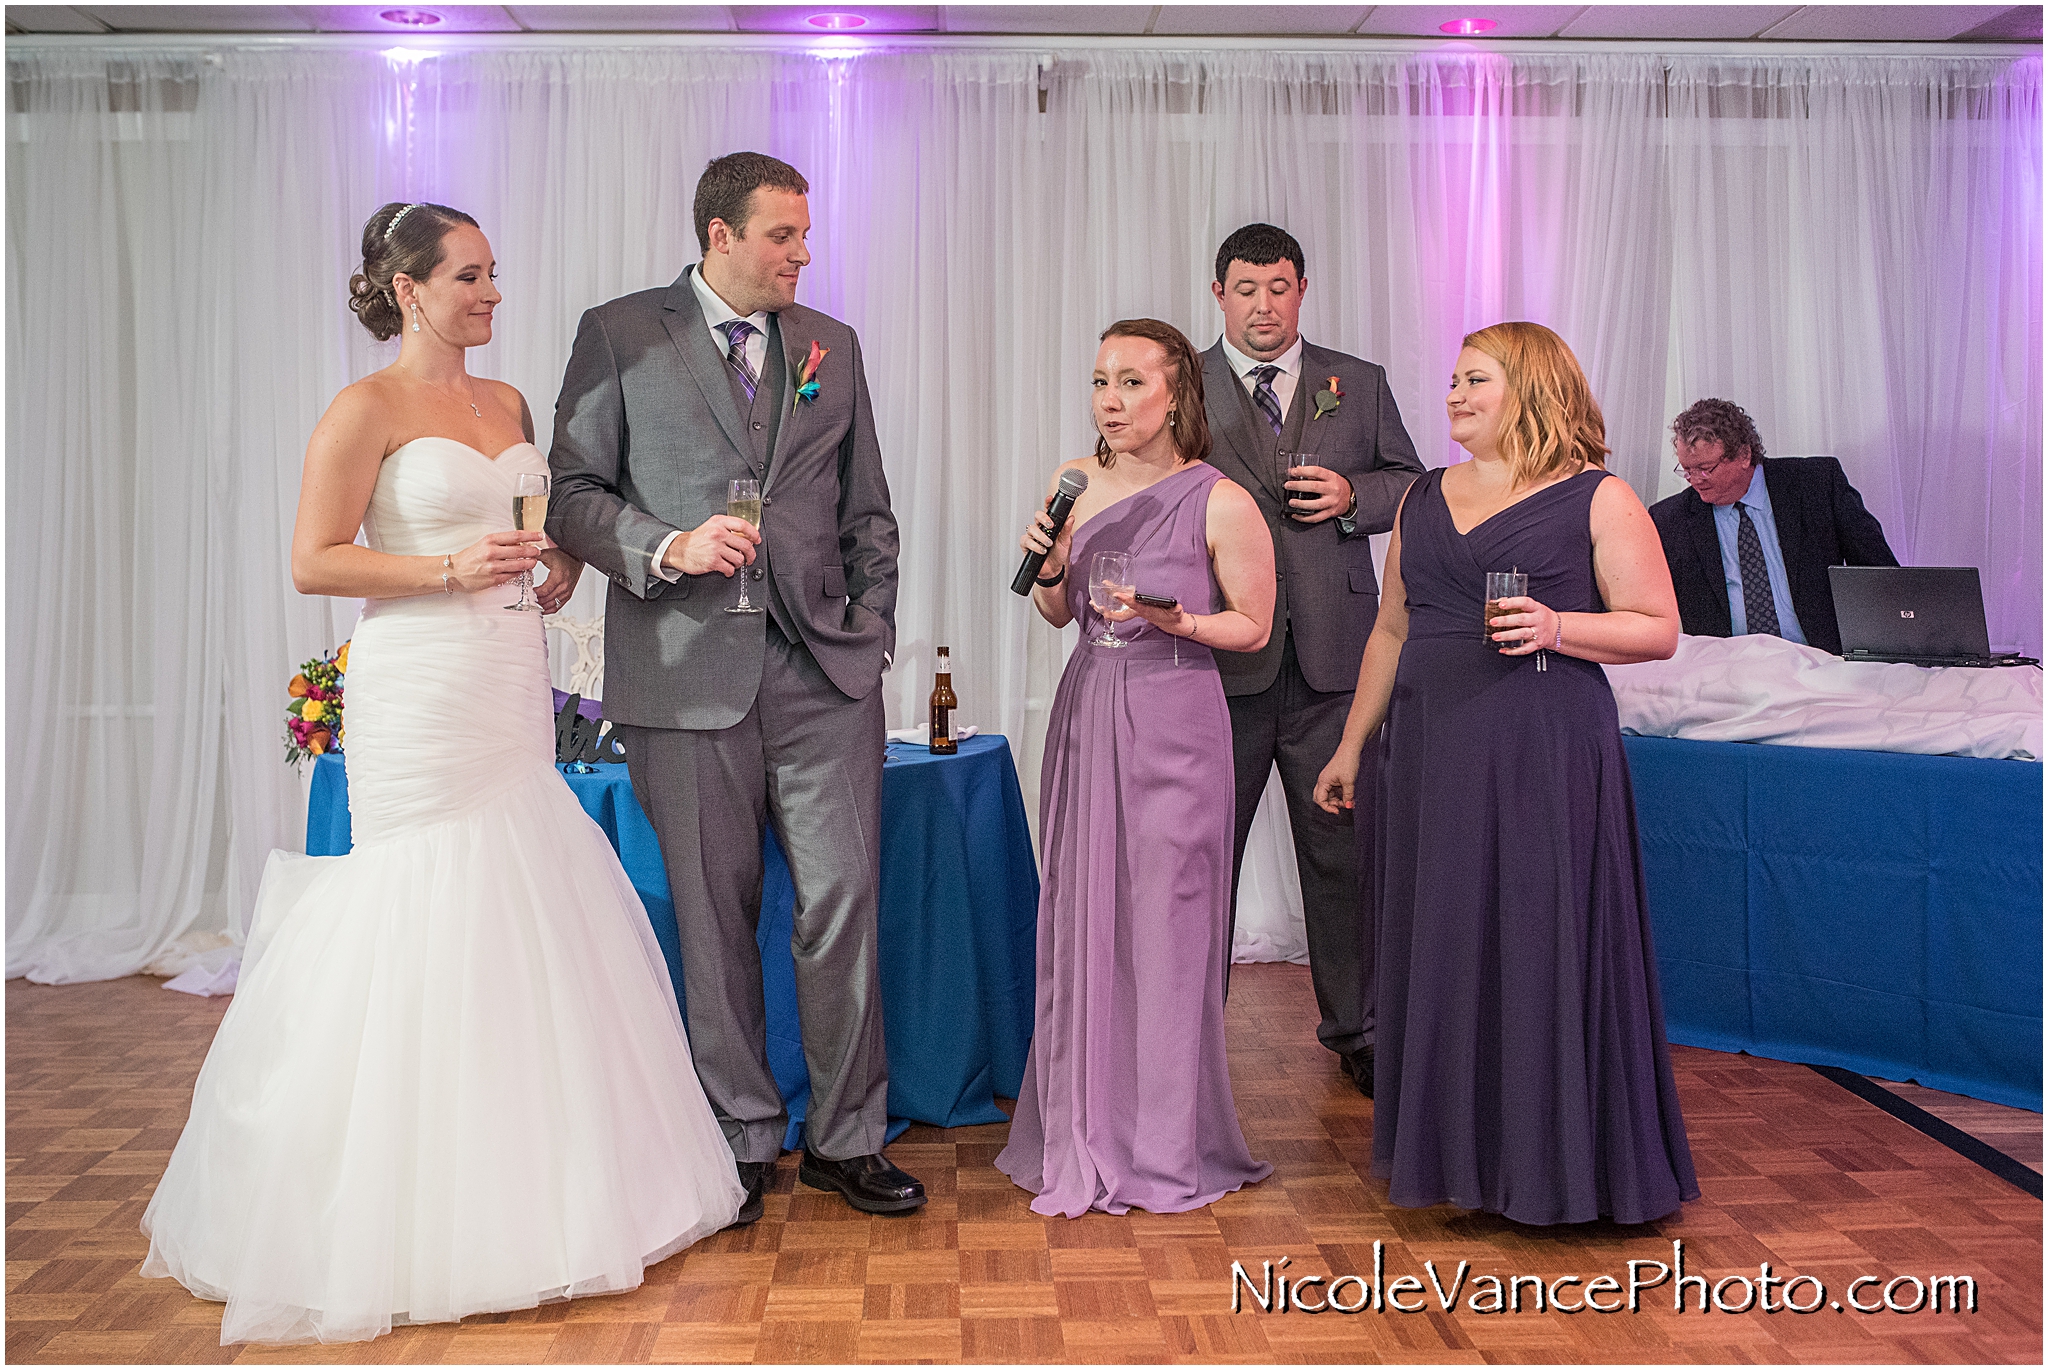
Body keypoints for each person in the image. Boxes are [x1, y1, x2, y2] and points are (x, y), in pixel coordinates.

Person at [139, 203, 745, 1344]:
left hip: (508, 666)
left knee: (523, 887)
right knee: (420, 897)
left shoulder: (505, 402)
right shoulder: (362, 408)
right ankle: (391, 1204)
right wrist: (445, 566)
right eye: (469, 276)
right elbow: (314, 557)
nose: (491, 293)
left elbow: (535, 519)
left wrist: (554, 562)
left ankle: (536, 1181)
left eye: (494, 274)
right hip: (415, 678)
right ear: (408, 289)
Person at [546, 153, 921, 1221]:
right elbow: (570, 495)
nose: (803, 254)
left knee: (843, 903)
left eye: (805, 235)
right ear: (719, 234)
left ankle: (850, 1135)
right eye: (782, 235)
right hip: (679, 673)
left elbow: (867, 510)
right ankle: (743, 1135)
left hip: (823, 674)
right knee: (712, 916)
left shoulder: (829, 347)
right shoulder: (621, 332)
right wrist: (663, 545)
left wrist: (873, 629)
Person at [1314, 321, 1699, 1226]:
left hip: (1543, 749)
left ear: (1530, 387)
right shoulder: (1423, 496)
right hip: (1430, 751)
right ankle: (1465, 1162)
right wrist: (1349, 747)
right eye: (1451, 379)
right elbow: (1393, 629)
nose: (1452, 394)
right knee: (1445, 945)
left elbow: (1657, 626)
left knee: (1537, 941)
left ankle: (1560, 1165)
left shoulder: (1599, 499)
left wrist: (1561, 627)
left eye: (1474, 379)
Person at [995, 318, 1276, 1217]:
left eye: (1130, 384)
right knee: (1084, 913)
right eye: (1099, 382)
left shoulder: (1221, 500)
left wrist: (1178, 621)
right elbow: (1051, 610)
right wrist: (1050, 562)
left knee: (1168, 918)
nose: (1109, 402)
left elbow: (1255, 627)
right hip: (1090, 707)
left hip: (1177, 714)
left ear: (1175, 395)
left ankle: (1164, 1139)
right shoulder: (1068, 487)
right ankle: (1083, 1124)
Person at [1200, 223, 1423, 1099]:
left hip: (1337, 663)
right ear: (1219, 292)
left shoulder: (1356, 383)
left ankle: (1360, 1031)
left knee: (1343, 853)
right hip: (1222, 659)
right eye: (1247, 288)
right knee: (1203, 856)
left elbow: (1413, 481)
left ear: (1303, 289)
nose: (1264, 305)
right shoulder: (1183, 382)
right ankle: (1187, 1033)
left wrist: (1352, 497)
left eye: (1280, 287)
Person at [1649, 397, 1898, 655]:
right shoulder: (1670, 519)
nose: (1695, 480)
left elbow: (1880, 573)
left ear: (1744, 455)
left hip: (1822, 658)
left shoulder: (1816, 485)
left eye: (1705, 469)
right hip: (1725, 668)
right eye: (1687, 470)